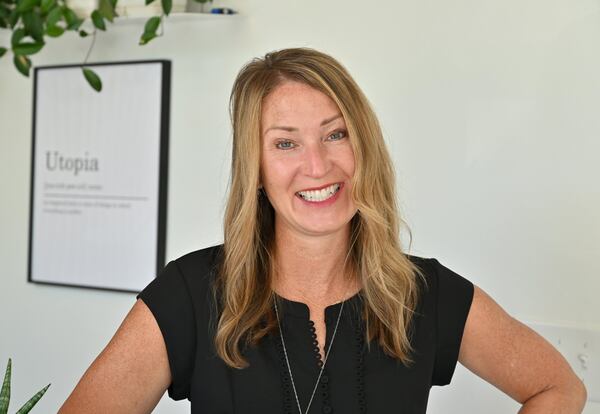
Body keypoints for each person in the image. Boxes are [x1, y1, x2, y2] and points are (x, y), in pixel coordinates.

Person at [59, 48, 587, 414]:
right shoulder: (189, 294)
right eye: (285, 143)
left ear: (364, 149)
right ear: (256, 170)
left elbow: (557, 386)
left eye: (335, 134)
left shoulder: (423, 294)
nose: (317, 165)